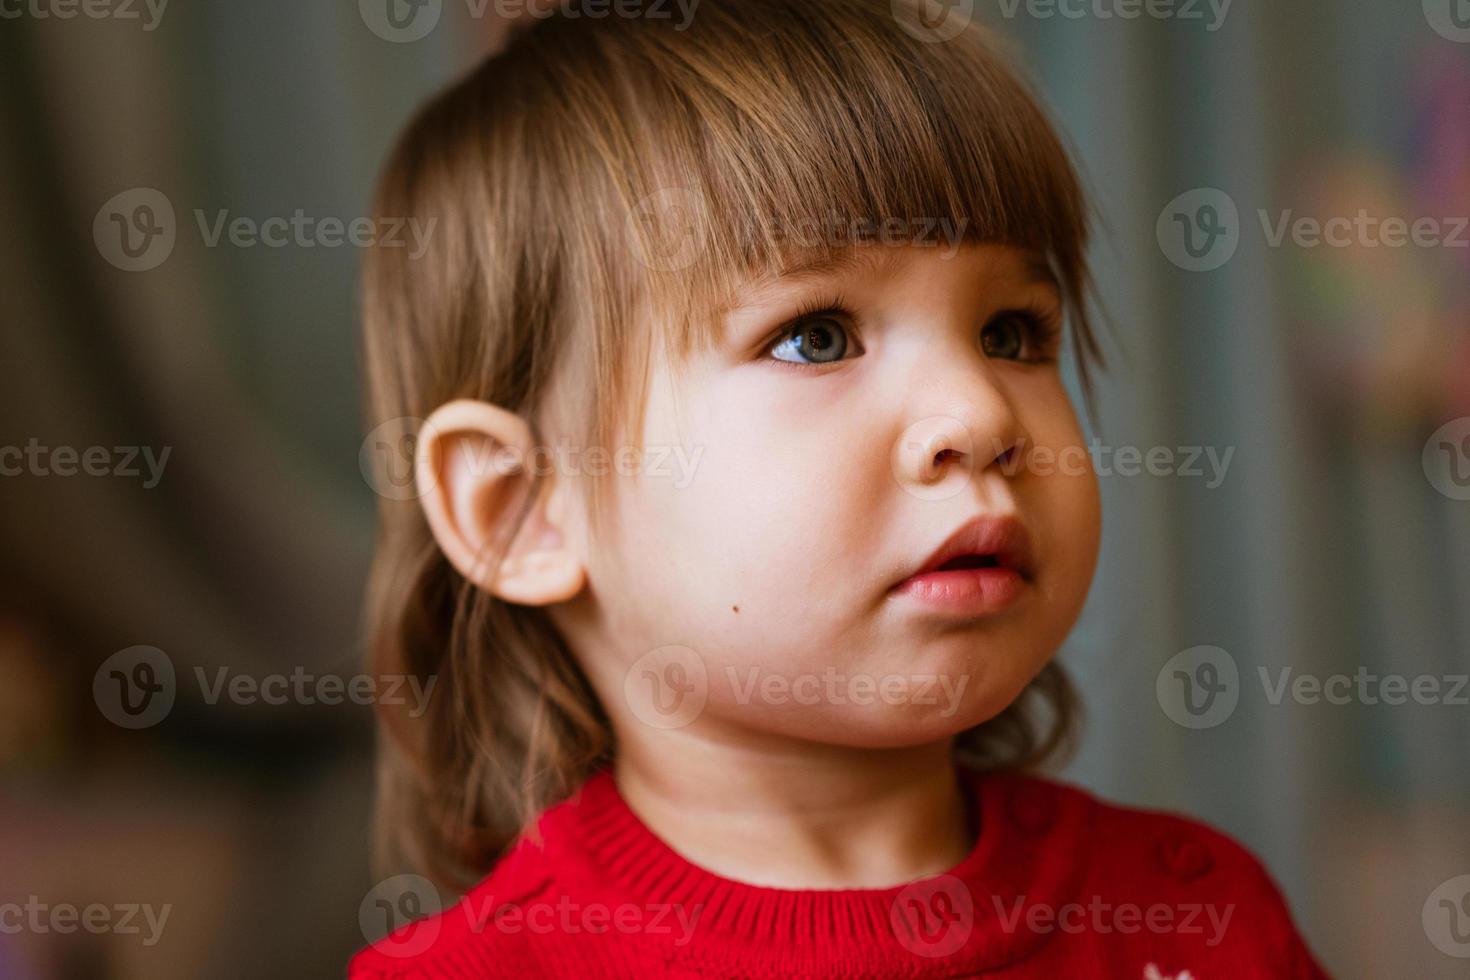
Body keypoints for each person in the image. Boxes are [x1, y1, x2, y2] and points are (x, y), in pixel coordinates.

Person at [349, 1, 1329, 975]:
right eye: (816, 335)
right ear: (521, 509)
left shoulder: (1201, 911)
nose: (979, 415)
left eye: (1011, 332)